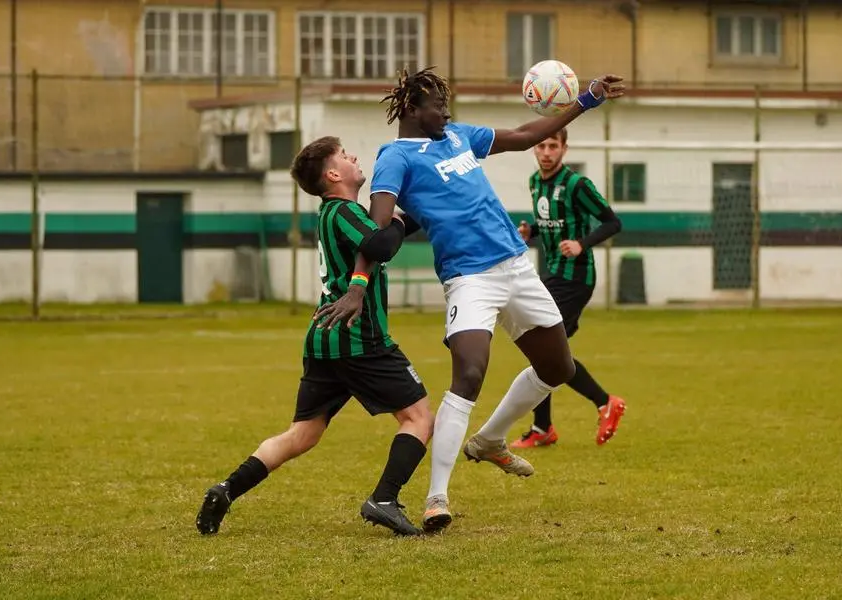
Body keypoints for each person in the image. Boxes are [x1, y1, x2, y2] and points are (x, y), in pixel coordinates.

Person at [313, 68, 625, 534]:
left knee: (559, 369)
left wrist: (588, 98)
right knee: (470, 373)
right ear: (414, 109)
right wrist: (358, 283)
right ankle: (436, 498)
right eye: (439, 105)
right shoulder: (395, 157)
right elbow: (375, 233)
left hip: (518, 267)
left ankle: (491, 439)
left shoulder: (459, 135)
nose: (446, 112)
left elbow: (523, 135)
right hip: (468, 278)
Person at [195, 136, 433, 538]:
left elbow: (388, 232)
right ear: (333, 174)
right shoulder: (342, 210)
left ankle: (226, 489)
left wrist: (422, 208)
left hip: (324, 339)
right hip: (359, 338)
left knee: (302, 434)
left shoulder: (333, 214)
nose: (354, 156)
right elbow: (380, 244)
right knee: (419, 418)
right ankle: (385, 499)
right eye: (344, 154)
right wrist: (395, 218)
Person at [511, 127, 626, 449]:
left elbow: (612, 222)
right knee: (545, 353)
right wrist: (529, 230)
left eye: (552, 146)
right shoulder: (535, 182)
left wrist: (581, 244)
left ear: (564, 149)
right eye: (541, 146)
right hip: (551, 275)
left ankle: (604, 403)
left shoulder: (577, 184)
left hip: (575, 277)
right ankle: (544, 427)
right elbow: (550, 222)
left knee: (542, 348)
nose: (546, 152)